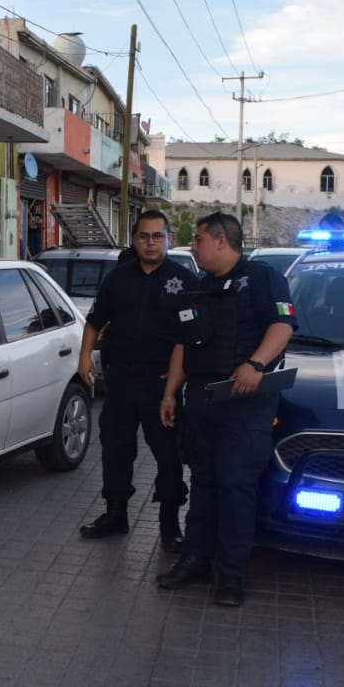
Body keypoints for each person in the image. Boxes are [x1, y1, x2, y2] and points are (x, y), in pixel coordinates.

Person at [157, 212, 296, 606]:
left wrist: (255, 364)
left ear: (221, 241)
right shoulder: (200, 289)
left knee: (236, 487)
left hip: (244, 404)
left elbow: (283, 325)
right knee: (204, 483)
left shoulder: (263, 277)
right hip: (202, 401)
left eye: (198, 239)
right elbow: (184, 347)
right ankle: (196, 558)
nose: (193, 247)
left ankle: (231, 574)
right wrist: (170, 394)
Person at [78, 210, 197, 552]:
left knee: (168, 455)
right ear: (134, 239)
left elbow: (191, 339)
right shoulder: (118, 279)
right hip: (120, 381)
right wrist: (85, 356)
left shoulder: (184, 281)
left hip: (162, 385)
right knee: (116, 449)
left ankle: (169, 524)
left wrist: (176, 383)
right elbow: (94, 321)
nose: (150, 242)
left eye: (157, 236)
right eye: (144, 236)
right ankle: (116, 514)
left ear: (168, 239)